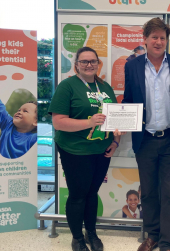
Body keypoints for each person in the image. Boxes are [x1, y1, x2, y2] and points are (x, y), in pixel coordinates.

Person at [122, 17, 170, 251]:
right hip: (145, 140)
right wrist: (118, 120)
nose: (159, 41)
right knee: (149, 191)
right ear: (145, 39)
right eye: (154, 37)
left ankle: (167, 241)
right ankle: (152, 235)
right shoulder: (132, 66)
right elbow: (129, 100)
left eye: (163, 38)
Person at [49, 46, 121, 251]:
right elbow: (58, 122)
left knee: (92, 193)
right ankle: (77, 238)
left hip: (102, 150)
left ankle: (91, 233)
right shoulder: (67, 86)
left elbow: (114, 118)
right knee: (78, 194)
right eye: (84, 61)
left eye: (93, 61)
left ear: (98, 64)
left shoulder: (105, 87)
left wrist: (115, 142)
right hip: (75, 150)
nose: (89, 65)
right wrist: (88, 123)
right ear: (76, 66)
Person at [0, 66, 37, 159]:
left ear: (36, 122)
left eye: (25, 111)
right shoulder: (8, 125)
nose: (19, 112)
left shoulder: (34, 139)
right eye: (19, 110)